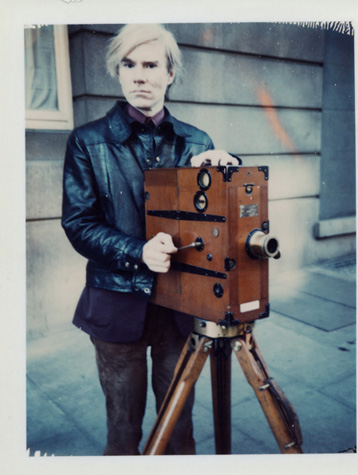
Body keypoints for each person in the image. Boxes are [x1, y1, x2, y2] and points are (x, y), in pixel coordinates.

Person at [62, 23, 239, 456]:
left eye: (151, 64)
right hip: (115, 302)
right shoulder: (88, 140)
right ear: (118, 73)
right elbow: (78, 223)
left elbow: (217, 228)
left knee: (178, 428)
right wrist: (136, 251)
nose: (140, 75)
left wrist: (229, 174)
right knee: (123, 431)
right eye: (129, 64)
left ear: (170, 73)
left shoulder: (197, 141)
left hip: (178, 306)